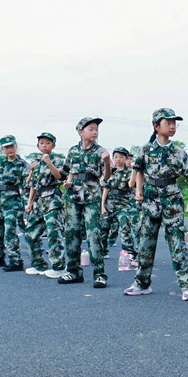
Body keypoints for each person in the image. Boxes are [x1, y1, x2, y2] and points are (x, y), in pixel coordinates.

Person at [124, 108, 188, 300]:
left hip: (172, 198)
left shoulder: (179, 152)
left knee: (177, 243)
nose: (172, 126)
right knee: (146, 242)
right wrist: (139, 190)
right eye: (168, 123)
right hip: (150, 198)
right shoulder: (146, 149)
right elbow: (139, 170)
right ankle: (142, 283)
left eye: (174, 123)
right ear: (156, 126)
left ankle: (187, 286)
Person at [61, 118, 112, 288]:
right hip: (73, 196)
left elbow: (107, 176)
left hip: (92, 196)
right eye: (91, 129)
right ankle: (73, 272)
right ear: (81, 132)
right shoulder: (73, 150)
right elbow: (68, 170)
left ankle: (99, 274)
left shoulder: (101, 151)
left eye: (96, 129)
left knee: (93, 234)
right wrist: (68, 181)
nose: (95, 132)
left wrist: (107, 161)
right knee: (71, 233)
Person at [25, 132, 67, 277]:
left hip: (52, 198)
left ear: (53, 146)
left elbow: (60, 176)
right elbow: (33, 184)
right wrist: (30, 202)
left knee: (53, 233)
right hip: (39, 200)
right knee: (30, 232)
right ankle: (38, 264)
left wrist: (49, 163)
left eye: (48, 143)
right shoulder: (37, 163)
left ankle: (59, 266)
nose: (44, 145)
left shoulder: (57, 160)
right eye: (41, 143)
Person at [0, 135, 29, 272]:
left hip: (13, 200)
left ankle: (16, 260)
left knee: (10, 229)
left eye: (11, 146)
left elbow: (27, 182)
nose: (9, 149)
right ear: (2, 149)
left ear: (16, 146)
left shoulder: (22, 164)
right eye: (6, 147)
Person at [101, 147, 137, 262]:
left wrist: (134, 170)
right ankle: (103, 251)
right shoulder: (110, 171)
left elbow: (131, 185)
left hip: (123, 204)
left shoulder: (129, 172)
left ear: (126, 158)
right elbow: (105, 188)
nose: (118, 159)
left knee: (124, 228)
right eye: (116, 157)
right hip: (109, 203)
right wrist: (102, 205)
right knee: (104, 228)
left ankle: (129, 252)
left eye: (121, 157)